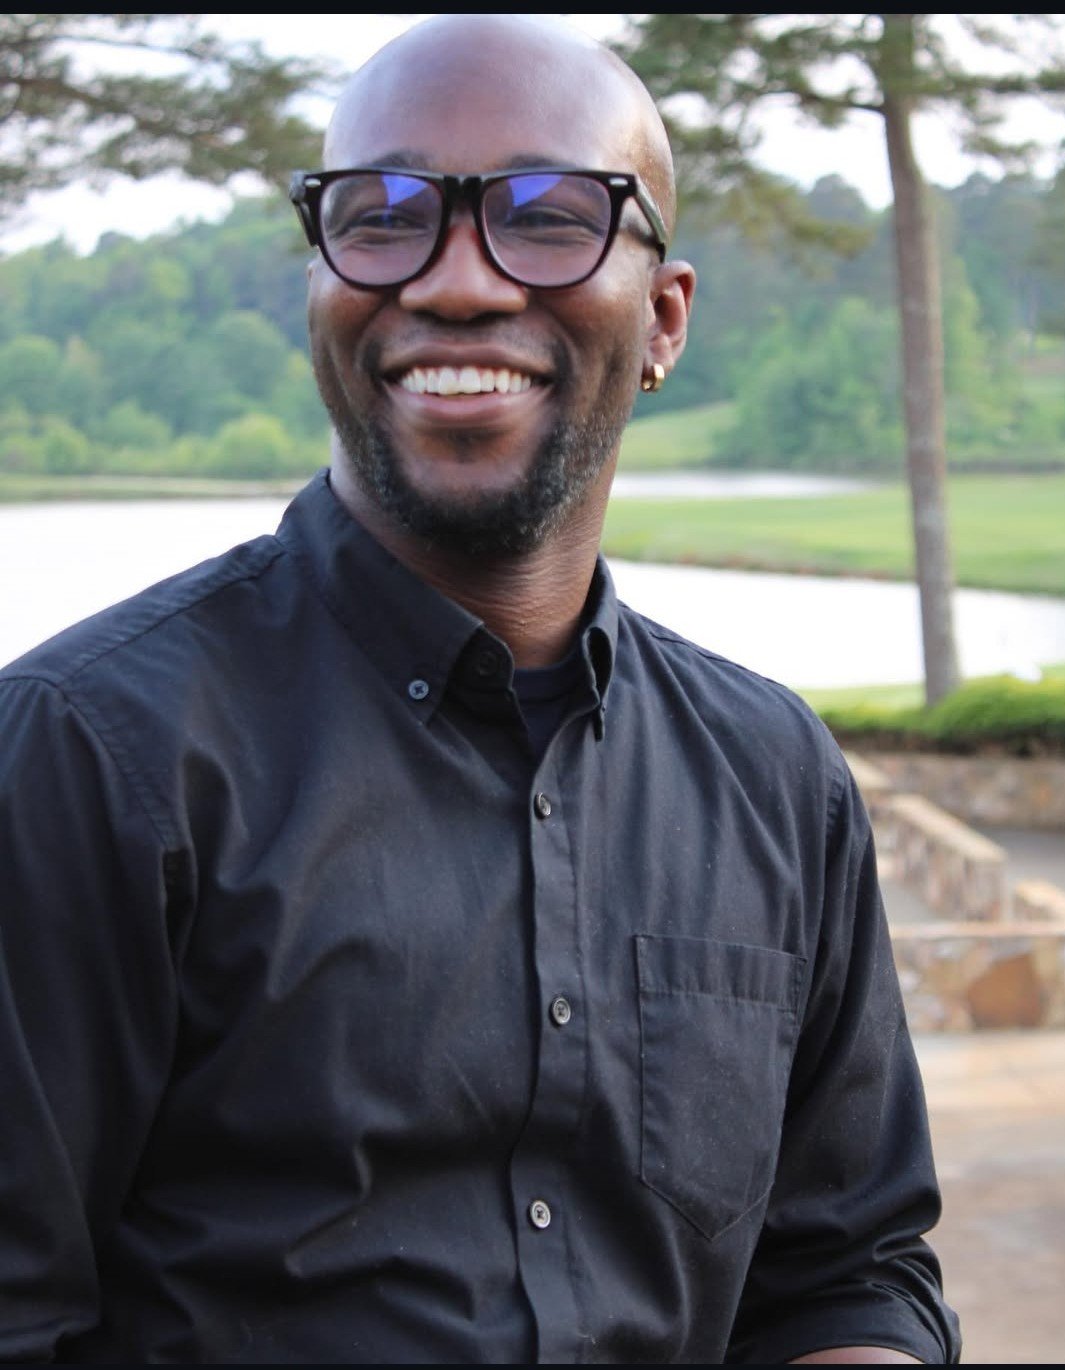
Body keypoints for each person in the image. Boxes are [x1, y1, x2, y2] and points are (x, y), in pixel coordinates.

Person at [0, 14, 961, 1365]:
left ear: (664, 317)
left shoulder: (773, 778)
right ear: (319, 284)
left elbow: (846, 1268)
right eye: (384, 217)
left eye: (551, 216)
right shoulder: (86, 757)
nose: (456, 284)